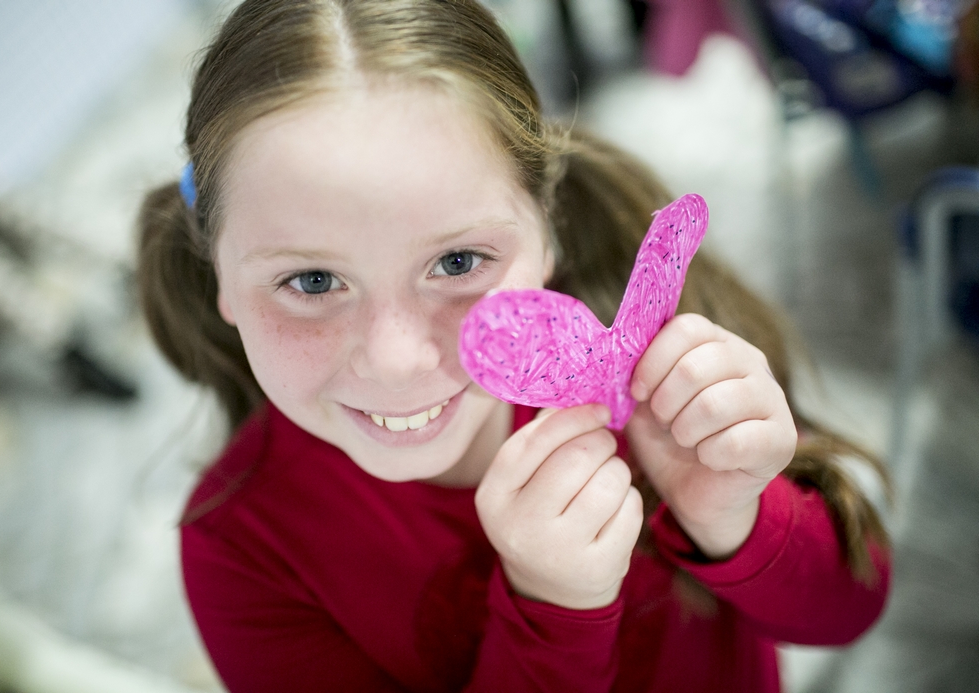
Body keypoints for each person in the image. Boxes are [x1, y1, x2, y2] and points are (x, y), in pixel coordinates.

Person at [136, 1, 891, 690]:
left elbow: (848, 610)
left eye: (458, 263)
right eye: (310, 280)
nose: (398, 359)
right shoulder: (239, 551)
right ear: (222, 285)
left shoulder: (648, 366)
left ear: (546, 229)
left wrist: (737, 515)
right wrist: (551, 609)